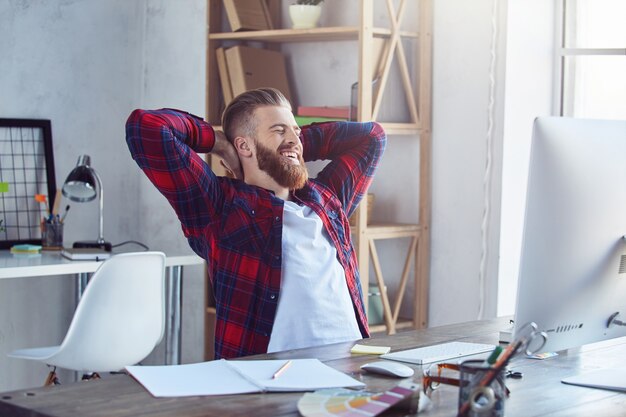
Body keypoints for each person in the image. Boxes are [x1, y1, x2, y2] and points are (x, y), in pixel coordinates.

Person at [126, 87, 386, 359]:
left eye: (295, 131)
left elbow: (373, 137)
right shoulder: (220, 206)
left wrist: (291, 142)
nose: (294, 139)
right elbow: (146, 127)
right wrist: (219, 143)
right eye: (278, 130)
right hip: (268, 381)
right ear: (244, 146)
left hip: (350, 371)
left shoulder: (327, 199)